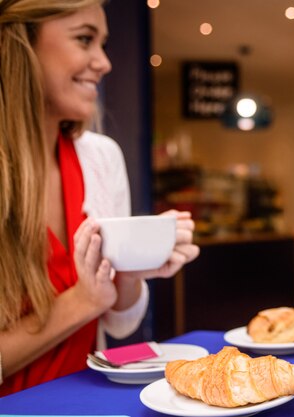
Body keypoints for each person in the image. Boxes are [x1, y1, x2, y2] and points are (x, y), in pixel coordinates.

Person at [0, 0, 199, 395]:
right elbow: (93, 304)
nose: (104, 62)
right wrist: (83, 300)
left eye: (102, 43)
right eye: (85, 39)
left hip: (88, 397)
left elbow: (120, 322)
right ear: (18, 44)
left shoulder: (101, 156)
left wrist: (131, 272)